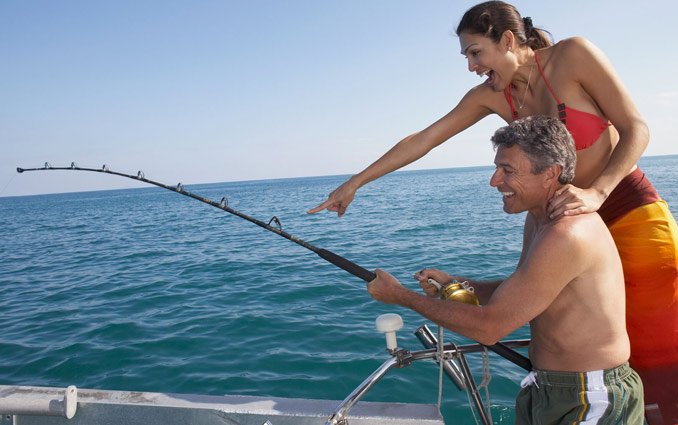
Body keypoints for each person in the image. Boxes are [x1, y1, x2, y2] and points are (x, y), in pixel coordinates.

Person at [307, 2, 678, 422]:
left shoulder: (572, 56)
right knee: (555, 314)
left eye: (475, 52)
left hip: (626, 206)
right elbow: (424, 139)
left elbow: (637, 128)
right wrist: (355, 182)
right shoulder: (493, 95)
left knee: (662, 348)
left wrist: (596, 193)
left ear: (506, 40)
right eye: (466, 55)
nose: (470, 66)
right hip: (555, 214)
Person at [367, 115, 644, 425]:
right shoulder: (540, 218)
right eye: (496, 168)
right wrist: (457, 284)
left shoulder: (567, 233)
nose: (494, 181)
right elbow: (524, 288)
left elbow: (490, 327)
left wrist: (400, 296)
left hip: (590, 396)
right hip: (547, 388)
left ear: (549, 174)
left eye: (508, 170)